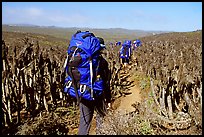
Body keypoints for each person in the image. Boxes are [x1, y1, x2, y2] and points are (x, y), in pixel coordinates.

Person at [78, 37, 111, 135]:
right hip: (98, 95)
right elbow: (106, 83)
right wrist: (108, 99)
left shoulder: (82, 61)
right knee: (100, 118)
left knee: (84, 123)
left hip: (83, 94)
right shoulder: (102, 62)